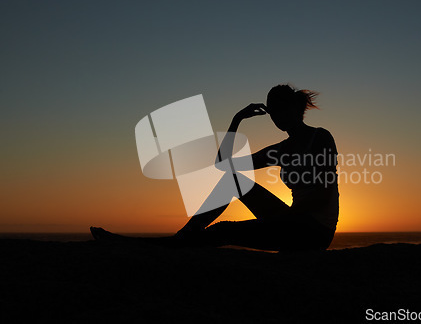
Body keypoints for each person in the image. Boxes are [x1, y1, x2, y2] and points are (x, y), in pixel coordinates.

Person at [91, 84, 339, 251]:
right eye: (272, 112)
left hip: (313, 233)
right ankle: (180, 237)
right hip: (291, 223)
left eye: (281, 109)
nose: (276, 117)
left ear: (296, 109)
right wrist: (237, 119)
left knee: (223, 231)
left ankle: (171, 245)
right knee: (233, 181)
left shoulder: (320, 138)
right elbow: (223, 165)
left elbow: (322, 197)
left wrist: (277, 223)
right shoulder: (281, 150)